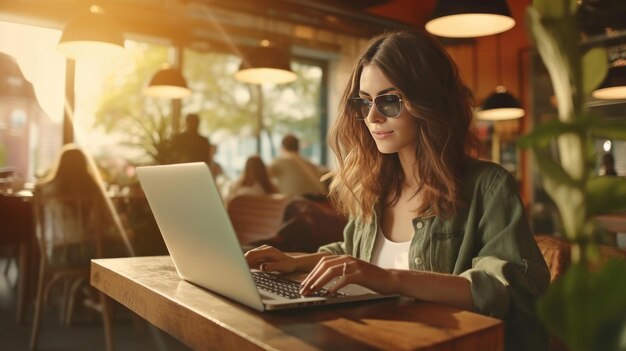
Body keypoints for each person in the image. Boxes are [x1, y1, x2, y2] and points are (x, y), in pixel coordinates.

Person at [245, 30, 550, 351]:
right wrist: (295, 262)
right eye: (363, 102)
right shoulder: (375, 185)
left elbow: (507, 288)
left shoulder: (489, 185)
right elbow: (354, 255)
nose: (373, 117)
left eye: (389, 101)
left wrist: (388, 278)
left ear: (429, 100)